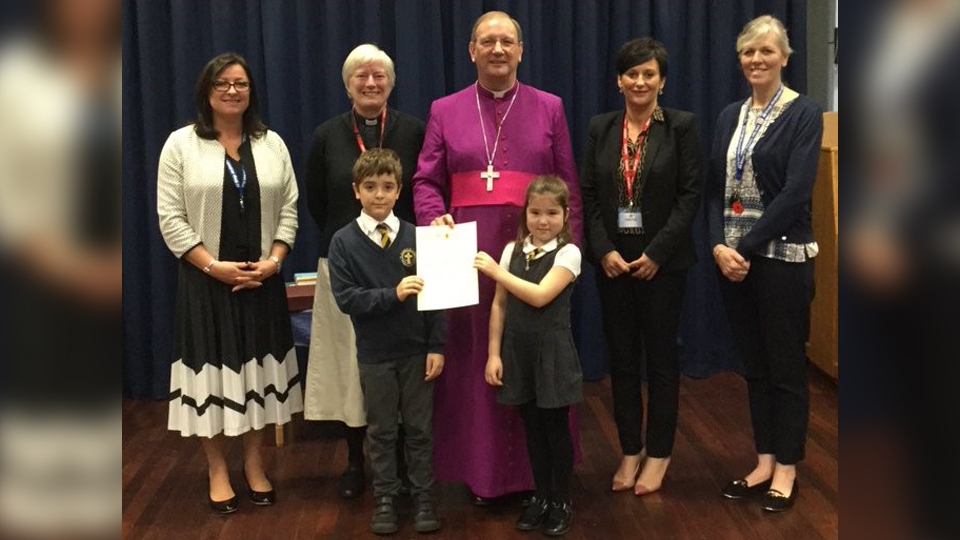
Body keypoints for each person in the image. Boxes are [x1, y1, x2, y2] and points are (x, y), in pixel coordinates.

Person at [413, 9, 582, 503]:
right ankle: (481, 476)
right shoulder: (445, 108)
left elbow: (568, 181)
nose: (498, 50)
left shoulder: (549, 106)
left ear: (521, 50)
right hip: (469, 254)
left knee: (537, 355)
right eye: (487, 41)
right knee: (476, 359)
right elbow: (425, 180)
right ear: (472, 51)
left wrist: (570, 251)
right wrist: (432, 217)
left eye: (507, 41)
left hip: (538, 253)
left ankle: (542, 481)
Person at [157, 52, 302, 514]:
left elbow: (290, 210)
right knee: (213, 381)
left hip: (262, 281)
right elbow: (171, 219)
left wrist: (275, 261)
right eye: (223, 83)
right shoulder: (180, 145)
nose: (233, 91)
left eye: (241, 83)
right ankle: (218, 470)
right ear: (207, 91)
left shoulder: (271, 142)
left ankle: (255, 465)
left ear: (251, 91)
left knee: (257, 377)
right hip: (207, 283)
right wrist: (211, 266)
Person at [706, 16, 823, 512]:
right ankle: (764, 457)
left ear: (784, 57)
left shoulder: (804, 113)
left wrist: (744, 247)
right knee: (754, 366)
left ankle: (789, 466)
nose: (757, 59)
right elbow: (715, 189)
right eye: (749, 52)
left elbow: (796, 194)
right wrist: (717, 246)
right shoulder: (731, 113)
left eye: (767, 52)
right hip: (732, 261)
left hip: (778, 260)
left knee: (784, 367)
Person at [579, 37, 703, 497]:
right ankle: (630, 449)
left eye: (649, 73)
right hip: (612, 264)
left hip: (662, 267)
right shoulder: (600, 127)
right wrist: (603, 250)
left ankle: (659, 453)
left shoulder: (681, 127)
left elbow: (690, 196)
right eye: (632, 73)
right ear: (619, 80)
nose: (640, 81)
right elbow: (588, 194)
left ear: (662, 81)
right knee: (623, 361)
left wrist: (657, 254)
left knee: (662, 361)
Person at [303, 43, 425, 499]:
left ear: (390, 83)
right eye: (361, 76)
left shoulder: (413, 131)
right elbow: (319, 200)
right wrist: (352, 246)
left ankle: (398, 463)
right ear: (348, 83)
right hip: (348, 262)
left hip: (404, 265)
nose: (370, 83)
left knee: (396, 363)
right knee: (349, 367)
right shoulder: (326, 135)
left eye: (379, 76)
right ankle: (355, 461)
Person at [327, 148, 445, 535]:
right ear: (356, 191)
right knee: (380, 430)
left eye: (388, 187)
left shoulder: (417, 236)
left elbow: (437, 299)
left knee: (420, 429)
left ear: (399, 192)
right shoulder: (343, 242)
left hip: (416, 352)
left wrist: (436, 346)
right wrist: (392, 294)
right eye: (371, 187)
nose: (379, 195)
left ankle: (424, 496)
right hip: (376, 355)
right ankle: (386, 498)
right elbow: (347, 299)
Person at [473, 175, 582, 536]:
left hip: (551, 352)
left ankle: (561, 498)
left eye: (552, 213)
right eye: (535, 212)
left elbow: (539, 295)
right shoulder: (510, 251)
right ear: (526, 214)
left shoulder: (569, 253)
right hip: (517, 351)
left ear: (565, 215)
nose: (543, 221)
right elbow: (500, 305)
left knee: (555, 428)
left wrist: (495, 272)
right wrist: (493, 354)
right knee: (531, 428)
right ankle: (541, 495)